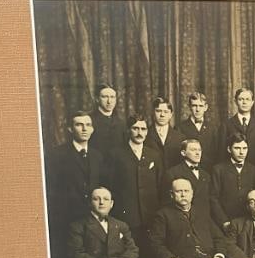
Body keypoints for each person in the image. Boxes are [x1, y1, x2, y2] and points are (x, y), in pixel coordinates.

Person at [45, 111, 104, 246]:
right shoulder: (57, 155)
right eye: (79, 125)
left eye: (88, 125)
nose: (84, 129)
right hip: (66, 218)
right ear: (70, 129)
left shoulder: (98, 156)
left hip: (91, 219)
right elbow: (51, 190)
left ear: (92, 129)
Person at [107, 114, 162, 245]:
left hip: (150, 215)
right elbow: (110, 185)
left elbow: (160, 185)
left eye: (143, 129)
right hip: (126, 215)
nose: (139, 133)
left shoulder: (154, 155)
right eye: (135, 128)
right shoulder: (115, 154)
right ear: (128, 130)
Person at [163, 138, 227, 227]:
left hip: (204, 221)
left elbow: (211, 200)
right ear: (183, 153)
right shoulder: (173, 173)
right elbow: (167, 202)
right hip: (182, 222)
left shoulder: (206, 175)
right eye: (193, 150)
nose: (198, 153)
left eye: (199, 150)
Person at [211, 132, 255, 227]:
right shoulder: (218, 169)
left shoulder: (253, 170)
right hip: (227, 220)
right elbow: (213, 199)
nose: (241, 152)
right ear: (229, 149)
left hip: (248, 221)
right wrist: (223, 221)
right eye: (237, 148)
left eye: (244, 148)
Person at [225, 87, 255, 169]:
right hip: (232, 172)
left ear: (252, 102)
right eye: (241, 99)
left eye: (247, 99)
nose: (244, 102)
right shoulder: (226, 125)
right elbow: (222, 153)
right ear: (235, 102)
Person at [177, 91, 223, 169]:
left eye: (201, 106)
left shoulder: (213, 128)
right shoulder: (180, 128)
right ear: (189, 107)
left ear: (206, 107)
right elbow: (178, 154)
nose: (197, 109)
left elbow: (218, 152)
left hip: (209, 171)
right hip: (187, 170)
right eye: (194, 106)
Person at [88, 83, 127, 160]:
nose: (109, 101)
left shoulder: (121, 123)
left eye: (112, 97)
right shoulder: (89, 120)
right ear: (97, 99)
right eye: (105, 97)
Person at [147, 96, 184, 169]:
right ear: (153, 113)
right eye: (158, 111)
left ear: (171, 114)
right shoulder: (145, 134)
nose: (162, 115)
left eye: (166, 112)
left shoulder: (180, 137)